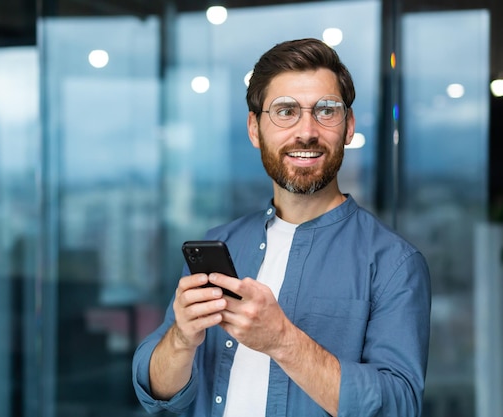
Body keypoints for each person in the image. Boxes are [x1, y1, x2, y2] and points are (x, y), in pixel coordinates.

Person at [132, 38, 431, 417]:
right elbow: (156, 393)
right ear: (255, 128)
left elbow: (400, 407)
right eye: (285, 111)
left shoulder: (394, 264)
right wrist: (181, 340)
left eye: (326, 111)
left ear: (349, 126)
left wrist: (283, 340)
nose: (306, 131)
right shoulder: (219, 243)